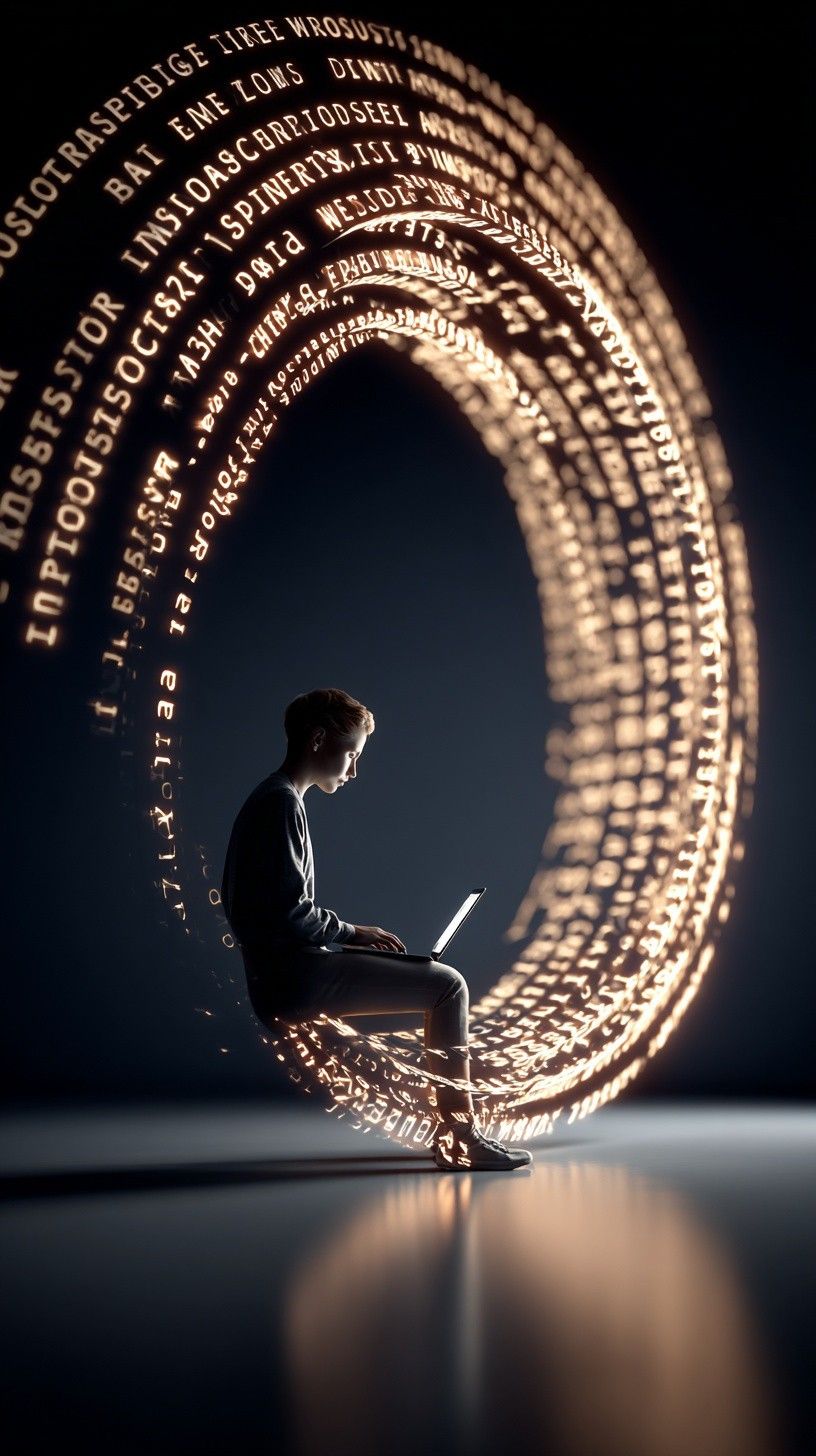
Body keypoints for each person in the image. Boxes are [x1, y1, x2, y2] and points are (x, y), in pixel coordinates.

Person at [221, 687, 532, 1172]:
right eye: (351, 754)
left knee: (437, 979)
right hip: (294, 977)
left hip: (292, 968)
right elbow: (283, 913)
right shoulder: (279, 804)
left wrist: (347, 938)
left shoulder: (277, 800)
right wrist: (352, 932)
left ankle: (454, 1133)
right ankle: (460, 1138)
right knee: (448, 986)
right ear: (319, 739)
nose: (354, 771)